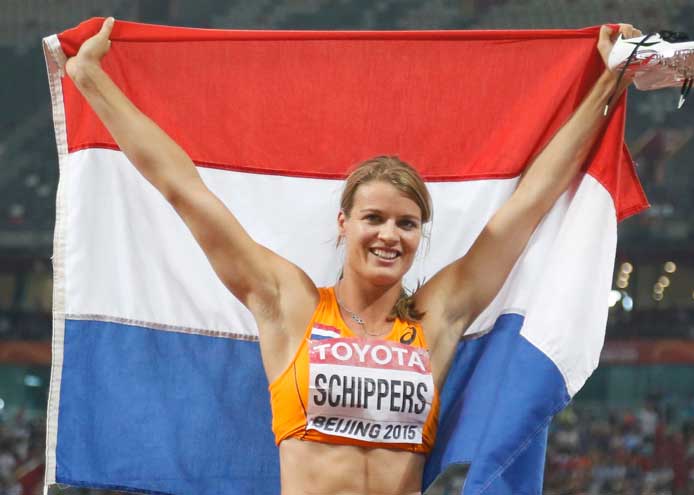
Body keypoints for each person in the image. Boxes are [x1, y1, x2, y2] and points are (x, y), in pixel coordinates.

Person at [64, 17, 641, 495]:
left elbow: (530, 203)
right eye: (374, 218)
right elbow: (183, 188)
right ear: (344, 225)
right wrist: (90, 79)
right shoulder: (286, 303)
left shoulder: (436, 318)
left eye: (407, 223)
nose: (390, 235)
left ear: (421, 235)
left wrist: (607, 85)